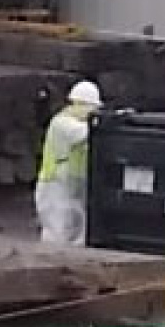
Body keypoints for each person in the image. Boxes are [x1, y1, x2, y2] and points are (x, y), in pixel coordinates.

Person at [35, 80, 101, 245]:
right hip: (54, 185)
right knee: (57, 232)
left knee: (78, 234)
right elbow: (82, 133)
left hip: (73, 185)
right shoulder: (62, 123)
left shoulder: (80, 123)